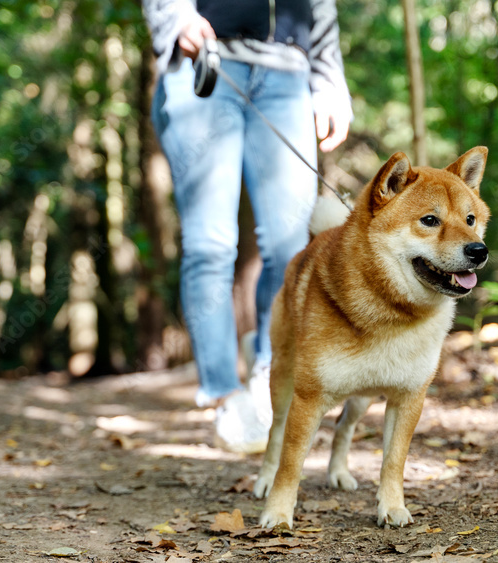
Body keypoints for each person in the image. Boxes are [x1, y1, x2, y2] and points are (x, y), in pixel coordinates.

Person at [143, 0, 352, 452]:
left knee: (290, 245)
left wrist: (330, 81)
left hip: (288, 73)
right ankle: (224, 395)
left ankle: (267, 373)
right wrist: (176, 17)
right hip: (205, 64)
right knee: (211, 244)